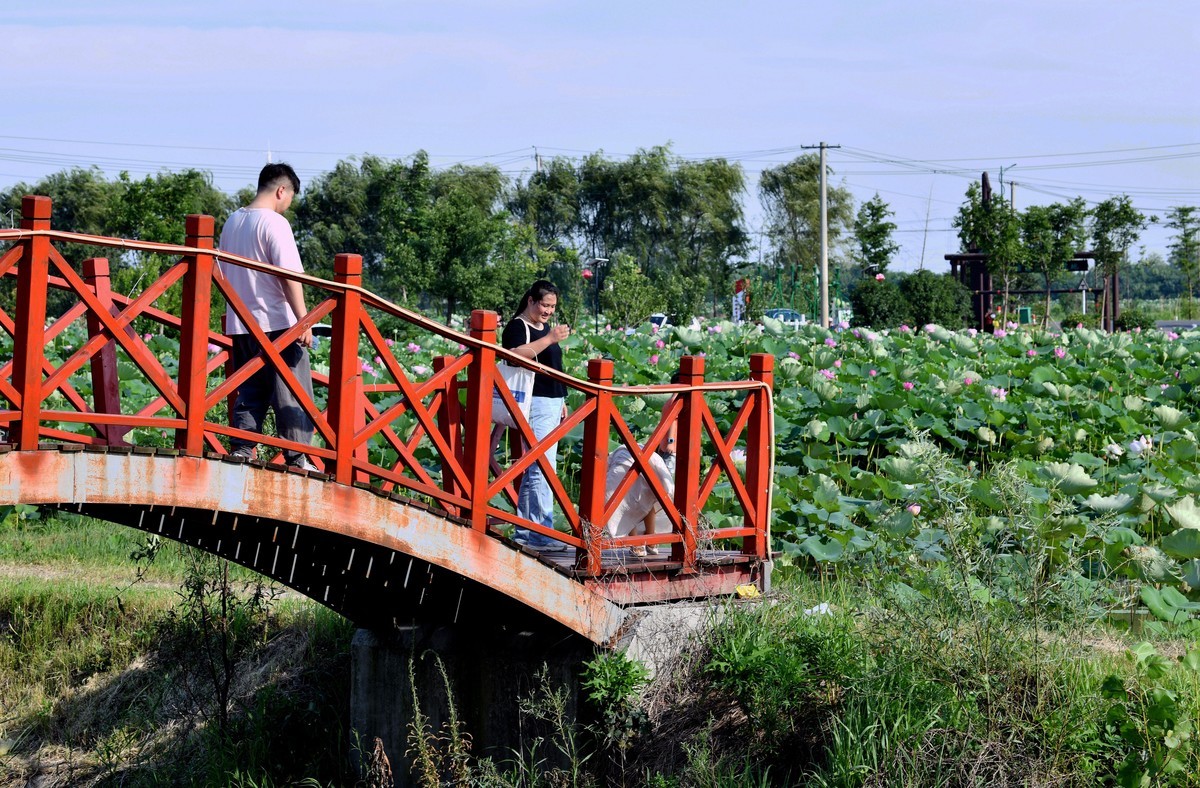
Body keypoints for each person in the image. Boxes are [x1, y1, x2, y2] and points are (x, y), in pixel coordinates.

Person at [218, 163, 316, 470]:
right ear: (281, 190)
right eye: (289, 200)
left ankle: (242, 450)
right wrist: (303, 319)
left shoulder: (232, 221)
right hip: (277, 324)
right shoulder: (274, 223)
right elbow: (289, 275)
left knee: (250, 391)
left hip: (241, 324)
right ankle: (298, 458)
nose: (287, 207)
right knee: (293, 391)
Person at [502, 280, 571, 550]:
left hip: (552, 402)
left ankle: (528, 533)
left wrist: (562, 397)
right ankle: (540, 534)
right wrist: (550, 338)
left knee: (538, 468)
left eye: (552, 306)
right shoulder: (518, 326)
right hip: (535, 403)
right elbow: (513, 357)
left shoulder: (543, 328)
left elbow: (555, 365)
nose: (548, 311)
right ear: (531, 300)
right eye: (544, 305)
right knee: (541, 469)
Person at [606, 372, 680, 557]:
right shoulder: (676, 401)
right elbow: (670, 425)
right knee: (650, 496)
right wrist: (670, 443)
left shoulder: (671, 401)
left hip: (663, 452)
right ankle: (645, 542)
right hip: (670, 453)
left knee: (646, 495)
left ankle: (643, 541)